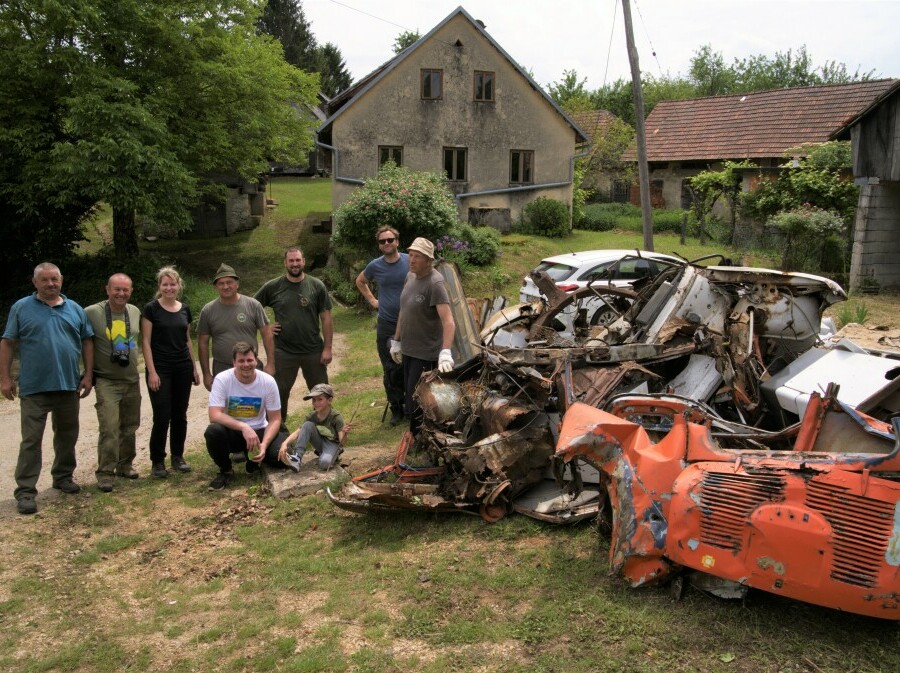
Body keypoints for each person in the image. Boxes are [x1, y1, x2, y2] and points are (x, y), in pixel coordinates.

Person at [1, 262, 94, 515]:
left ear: (61, 280)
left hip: (68, 384)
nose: (50, 284)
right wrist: (5, 379)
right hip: (34, 387)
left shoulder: (74, 308)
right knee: (31, 440)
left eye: (55, 279)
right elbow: (8, 342)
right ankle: (26, 491)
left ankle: (63, 477)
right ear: (35, 283)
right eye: (45, 280)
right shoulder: (21, 308)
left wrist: (88, 375)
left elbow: (87, 341)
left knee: (67, 435)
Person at [254, 247, 333, 421]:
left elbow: (326, 318)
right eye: (291, 261)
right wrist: (266, 327)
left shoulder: (316, 286)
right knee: (279, 392)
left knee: (321, 392)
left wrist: (327, 348)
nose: (295, 264)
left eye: (298, 260)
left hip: (313, 350)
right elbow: (253, 307)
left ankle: (326, 427)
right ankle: (278, 430)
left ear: (303, 261)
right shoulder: (273, 286)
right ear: (285, 263)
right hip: (283, 351)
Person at [390, 238, 456, 437]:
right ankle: (416, 437)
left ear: (428, 260)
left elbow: (449, 321)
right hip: (409, 349)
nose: (411, 260)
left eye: (417, 256)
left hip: (426, 353)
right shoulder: (410, 276)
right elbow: (404, 310)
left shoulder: (435, 283)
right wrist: (397, 341)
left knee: (421, 400)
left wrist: (445, 351)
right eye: (410, 254)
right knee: (411, 397)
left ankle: (422, 439)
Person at [141, 267, 200, 479]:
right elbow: (145, 342)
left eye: (172, 284)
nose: (169, 288)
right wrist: (152, 372)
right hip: (161, 369)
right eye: (165, 284)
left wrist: (194, 368)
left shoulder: (185, 309)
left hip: (182, 367)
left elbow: (187, 341)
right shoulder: (151, 309)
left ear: (178, 286)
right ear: (159, 287)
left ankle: (178, 457)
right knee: (161, 415)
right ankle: (157, 461)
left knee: (180, 414)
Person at [84, 273, 142, 492]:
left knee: (130, 426)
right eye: (116, 289)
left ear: (131, 291)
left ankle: (125, 465)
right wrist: (86, 374)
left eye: (125, 289)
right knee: (109, 427)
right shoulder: (91, 313)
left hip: (131, 379)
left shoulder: (135, 312)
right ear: (107, 289)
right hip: (106, 380)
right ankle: (105, 472)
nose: (121, 293)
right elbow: (83, 341)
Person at [204, 341, 286, 490]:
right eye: (241, 361)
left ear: (256, 360)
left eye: (249, 360)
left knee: (279, 459)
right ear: (234, 362)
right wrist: (243, 427)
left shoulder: (268, 381)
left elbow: (275, 419)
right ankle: (226, 470)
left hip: (260, 430)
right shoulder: (223, 379)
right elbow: (214, 415)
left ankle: (254, 461)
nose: (246, 364)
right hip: (234, 432)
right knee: (213, 431)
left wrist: (264, 445)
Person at [355, 226, 409, 426]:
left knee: (410, 366)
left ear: (397, 241)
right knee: (390, 368)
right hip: (387, 323)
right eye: (382, 241)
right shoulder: (375, 266)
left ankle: (413, 406)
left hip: (410, 322)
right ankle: (396, 409)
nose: (387, 243)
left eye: (390, 240)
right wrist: (373, 301)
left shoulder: (409, 261)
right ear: (378, 245)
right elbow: (361, 281)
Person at [198, 263, 275, 390]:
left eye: (229, 282)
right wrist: (206, 374)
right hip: (222, 368)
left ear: (237, 284)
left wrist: (271, 364)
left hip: (250, 365)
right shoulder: (208, 310)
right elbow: (202, 343)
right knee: (224, 407)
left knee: (255, 404)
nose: (226, 286)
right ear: (216, 287)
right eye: (221, 283)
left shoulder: (253, 305)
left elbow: (267, 335)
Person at [278, 383, 352, 472]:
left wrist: (344, 432)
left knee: (324, 463)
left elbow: (342, 442)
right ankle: (297, 458)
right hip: (319, 441)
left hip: (332, 443)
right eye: (314, 400)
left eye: (320, 399)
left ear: (329, 400)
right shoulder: (312, 416)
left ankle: (334, 454)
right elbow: (298, 432)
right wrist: (285, 443)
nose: (316, 403)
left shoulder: (336, 417)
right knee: (307, 425)